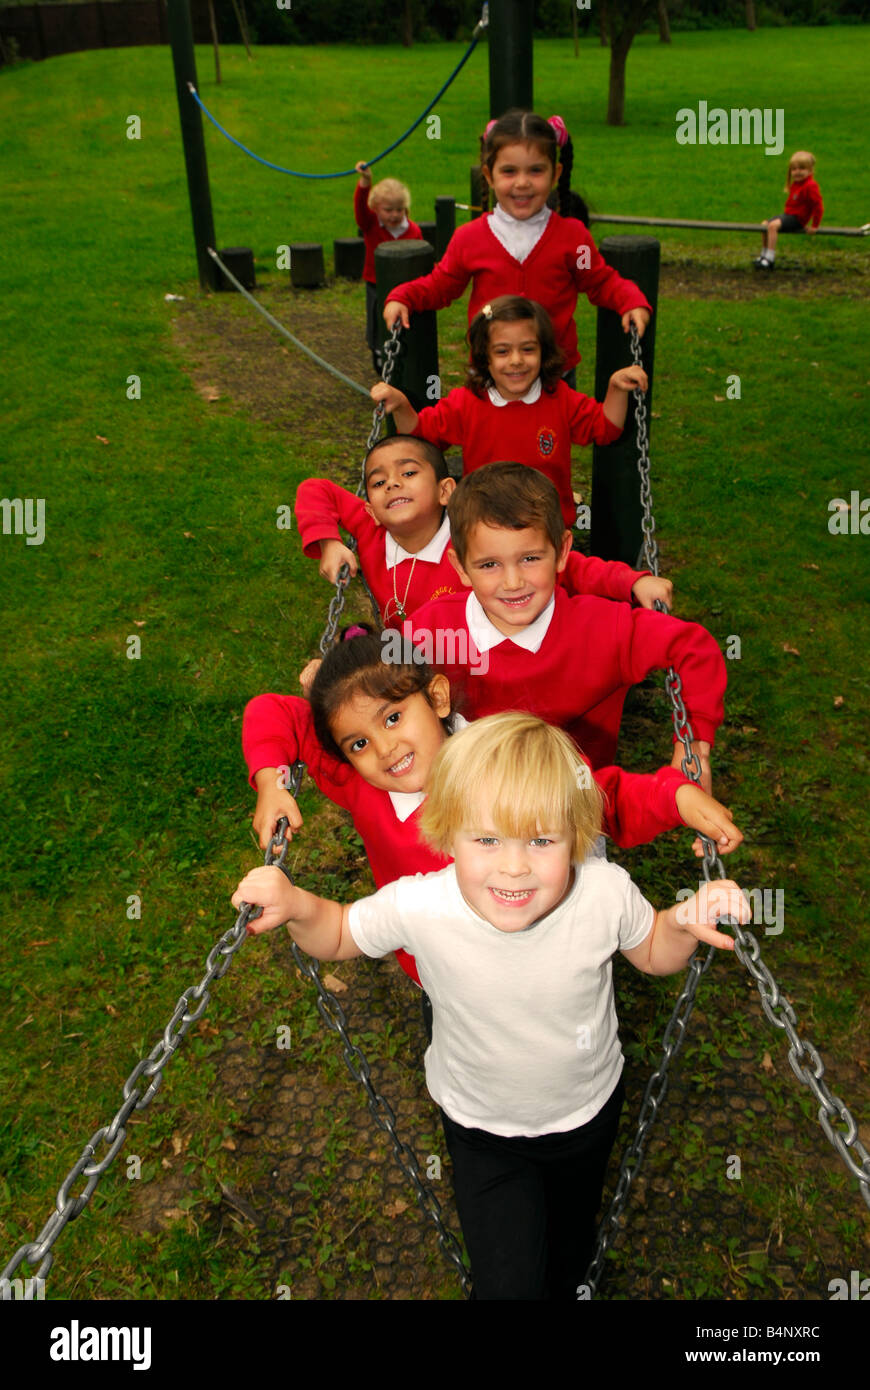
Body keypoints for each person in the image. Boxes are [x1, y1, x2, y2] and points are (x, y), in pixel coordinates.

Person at [233, 711, 750, 1300]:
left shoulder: (604, 893)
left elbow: (654, 949)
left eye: (541, 839)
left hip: (587, 1114)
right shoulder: (422, 905)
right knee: (509, 1281)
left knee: (570, 1247)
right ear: (446, 833)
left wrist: (684, 920)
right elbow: (342, 931)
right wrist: (297, 903)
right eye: (485, 839)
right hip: (480, 1128)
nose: (513, 866)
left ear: (578, 837)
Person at [243, 635, 743, 986]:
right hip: (440, 975)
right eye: (358, 742)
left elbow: (600, 796)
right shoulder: (362, 786)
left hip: (548, 962)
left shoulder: (502, 758)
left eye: (393, 717)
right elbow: (271, 709)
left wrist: (674, 795)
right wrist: (270, 779)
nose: (385, 748)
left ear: (436, 697)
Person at [408, 463, 726, 779]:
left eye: (530, 558)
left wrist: (693, 751)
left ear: (561, 552)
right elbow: (382, 688)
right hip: (469, 796)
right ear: (461, 567)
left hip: (571, 806)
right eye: (490, 564)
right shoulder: (433, 628)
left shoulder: (603, 629)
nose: (513, 582)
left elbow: (691, 646)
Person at [382, 110, 651, 378]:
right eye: (509, 171)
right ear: (489, 175)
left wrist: (630, 301)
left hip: (553, 374)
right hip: (491, 371)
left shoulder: (574, 238)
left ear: (555, 174)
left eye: (535, 170)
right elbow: (441, 285)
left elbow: (599, 281)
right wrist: (403, 297)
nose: (522, 183)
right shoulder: (469, 238)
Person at [296, 434, 671, 626]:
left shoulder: (472, 539)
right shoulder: (371, 529)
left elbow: (567, 565)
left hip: (472, 657)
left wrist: (632, 582)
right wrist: (329, 543)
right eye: (379, 483)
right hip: (406, 661)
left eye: (408, 473)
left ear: (446, 491)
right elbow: (316, 489)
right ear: (369, 508)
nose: (392, 484)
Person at [371, 295, 655, 535]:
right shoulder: (468, 402)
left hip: (546, 528)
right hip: (485, 525)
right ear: (485, 357)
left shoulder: (559, 399)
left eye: (528, 349)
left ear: (544, 352)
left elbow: (605, 428)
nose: (516, 360)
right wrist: (403, 405)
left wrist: (616, 390)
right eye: (503, 351)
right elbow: (422, 434)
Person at [353, 161, 422, 371]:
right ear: (376, 208)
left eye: (399, 210)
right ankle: (378, 350)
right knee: (376, 316)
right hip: (377, 283)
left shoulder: (413, 231)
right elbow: (360, 207)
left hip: (403, 285)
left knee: (406, 318)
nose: (394, 215)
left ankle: (406, 348)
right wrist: (365, 182)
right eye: (388, 210)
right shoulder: (371, 224)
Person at [755, 150, 823, 271]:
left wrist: (814, 225)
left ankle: (770, 258)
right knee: (764, 225)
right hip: (789, 216)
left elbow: (818, 206)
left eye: (802, 169)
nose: (797, 172)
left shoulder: (810, 186)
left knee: (772, 226)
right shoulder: (796, 184)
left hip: (798, 219)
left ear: (810, 170)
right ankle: (763, 254)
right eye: (794, 169)